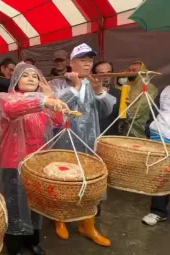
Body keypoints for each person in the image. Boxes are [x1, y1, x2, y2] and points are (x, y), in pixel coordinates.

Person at [49, 43, 115, 247]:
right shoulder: (58, 83)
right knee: (64, 179)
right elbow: (58, 109)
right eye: (82, 60)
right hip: (64, 141)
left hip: (89, 142)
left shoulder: (93, 84)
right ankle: (60, 219)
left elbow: (106, 111)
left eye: (90, 60)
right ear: (71, 63)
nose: (87, 64)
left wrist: (100, 92)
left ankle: (87, 226)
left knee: (90, 183)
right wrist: (76, 87)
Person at [0, 63, 67, 255]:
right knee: (15, 204)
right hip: (13, 161)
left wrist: (52, 98)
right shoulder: (6, 98)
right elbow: (12, 111)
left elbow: (59, 122)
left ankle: (32, 240)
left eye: (35, 76)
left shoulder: (45, 100)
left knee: (36, 202)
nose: (31, 78)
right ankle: (15, 245)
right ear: (16, 79)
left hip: (38, 161)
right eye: (25, 75)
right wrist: (42, 101)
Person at [142, 84, 170, 226]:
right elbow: (155, 109)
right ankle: (158, 211)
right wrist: (149, 127)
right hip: (160, 134)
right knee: (160, 175)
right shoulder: (166, 88)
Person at [122, 61, 158, 138]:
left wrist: (126, 116)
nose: (130, 72)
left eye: (134, 70)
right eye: (129, 70)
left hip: (140, 127)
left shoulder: (150, 88)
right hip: (124, 126)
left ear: (142, 72)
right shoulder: (126, 86)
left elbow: (141, 107)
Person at [93, 61, 122, 136]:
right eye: (101, 73)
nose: (106, 76)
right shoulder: (88, 93)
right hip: (92, 135)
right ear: (95, 75)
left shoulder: (119, 93)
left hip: (111, 136)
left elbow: (123, 119)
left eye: (109, 72)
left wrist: (126, 109)